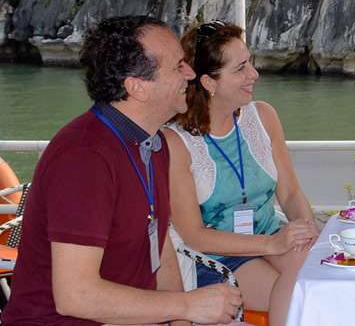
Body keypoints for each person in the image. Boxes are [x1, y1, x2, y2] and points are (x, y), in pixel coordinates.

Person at [2, 16, 241, 325]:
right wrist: (185, 306)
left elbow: (162, 249)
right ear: (137, 87)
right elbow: (76, 295)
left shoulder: (153, 144)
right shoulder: (84, 158)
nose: (190, 73)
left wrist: (180, 319)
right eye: (178, 66)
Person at [165, 21, 319, 326]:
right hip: (217, 255)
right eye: (241, 68)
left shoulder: (263, 116)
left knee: (316, 269)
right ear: (209, 83)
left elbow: (290, 193)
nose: (254, 74)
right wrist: (272, 245)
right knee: (300, 291)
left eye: (250, 62)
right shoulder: (176, 142)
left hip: (272, 235)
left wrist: (306, 228)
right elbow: (194, 234)